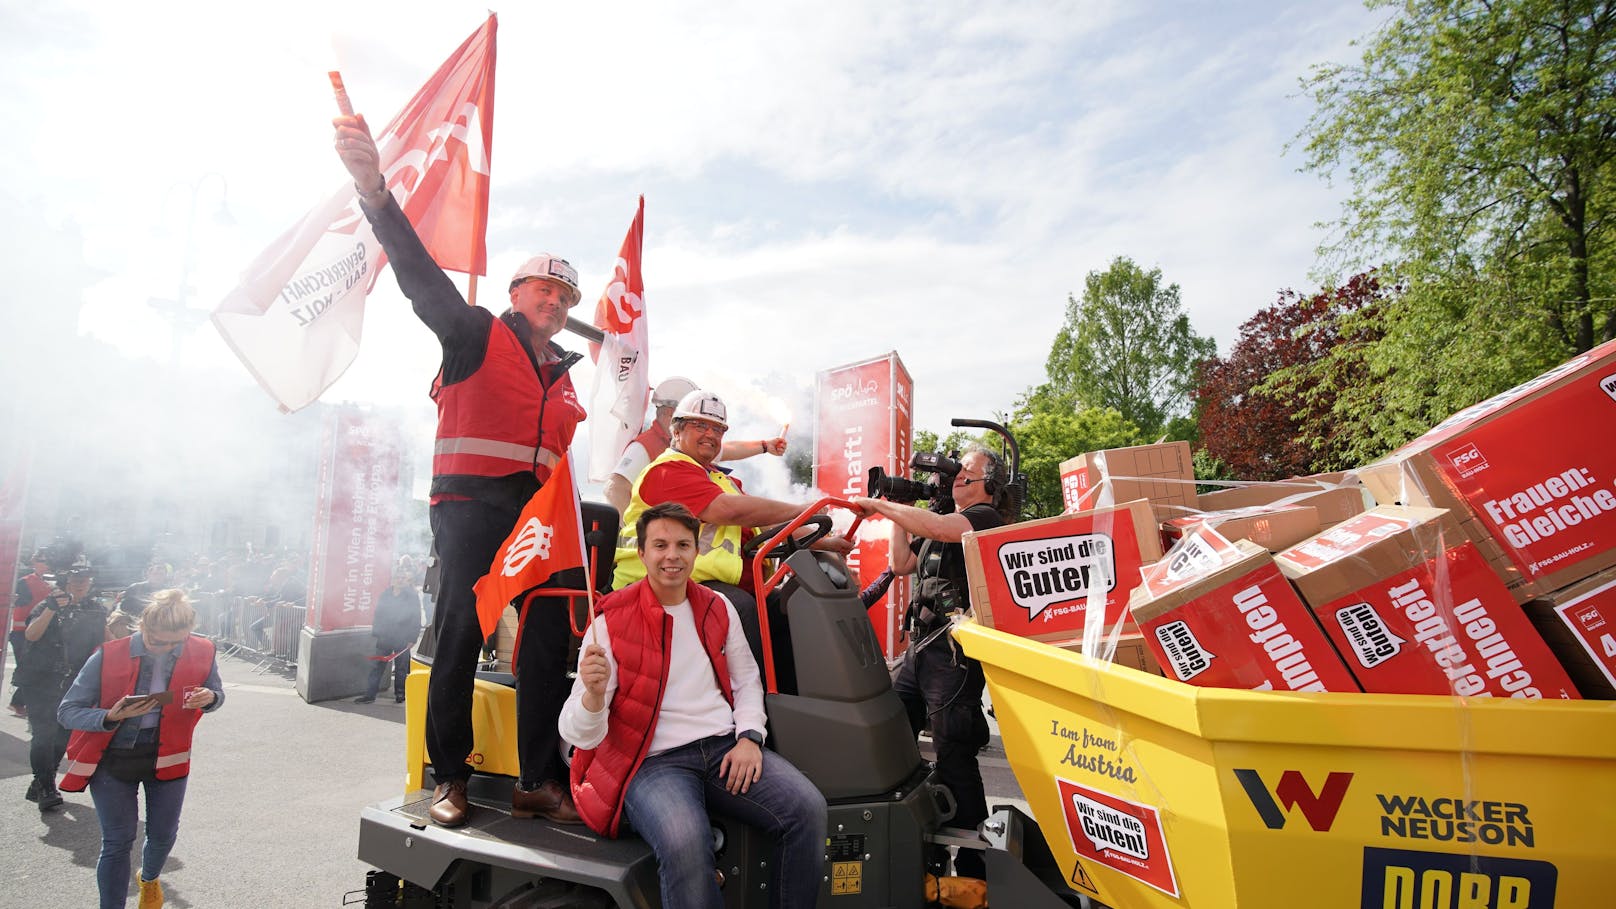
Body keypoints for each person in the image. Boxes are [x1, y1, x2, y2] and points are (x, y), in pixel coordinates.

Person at [334, 111, 587, 827]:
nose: (557, 303)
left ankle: (537, 776)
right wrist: (376, 193)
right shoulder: (473, 330)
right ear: (515, 292)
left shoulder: (565, 378)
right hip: (469, 506)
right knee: (461, 633)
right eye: (545, 289)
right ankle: (450, 774)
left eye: (566, 298)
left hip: (534, 519)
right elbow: (418, 277)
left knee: (547, 637)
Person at [562, 503, 827, 909]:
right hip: (651, 762)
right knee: (686, 840)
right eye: (660, 545)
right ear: (644, 552)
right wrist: (594, 697)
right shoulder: (611, 620)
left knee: (807, 809)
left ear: (697, 549)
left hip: (722, 748)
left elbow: (746, 681)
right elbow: (577, 733)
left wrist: (750, 737)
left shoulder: (717, 606)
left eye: (683, 544)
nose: (672, 555)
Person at [852, 446, 1011, 880]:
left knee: (953, 748)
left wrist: (880, 505)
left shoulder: (983, 519)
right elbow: (901, 563)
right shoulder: (945, 520)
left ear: (989, 487)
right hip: (921, 647)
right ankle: (924, 837)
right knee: (897, 732)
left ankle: (975, 864)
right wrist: (898, 510)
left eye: (968, 473)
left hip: (953, 654)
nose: (957, 478)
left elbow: (941, 529)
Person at [613, 390, 850, 645]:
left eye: (718, 429)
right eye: (700, 425)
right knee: (740, 608)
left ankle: (794, 684)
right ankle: (752, 686)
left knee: (790, 608)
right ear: (677, 431)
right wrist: (802, 510)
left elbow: (768, 524)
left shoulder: (719, 479)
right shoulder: (667, 470)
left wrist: (823, 543)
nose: (710, 434)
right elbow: (730, 510)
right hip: (660, 583)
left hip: (710, 583)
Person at [58, 588, 224, 909]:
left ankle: (148, 879)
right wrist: (108, 716)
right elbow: (67, 711)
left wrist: (211, 698)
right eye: (159, 641)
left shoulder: (202, 649)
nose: (167, 649)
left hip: (169, 758)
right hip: (112, 761)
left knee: (163, 836)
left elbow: (216, 691)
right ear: (143, 627)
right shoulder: (108, 654)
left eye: (177, 642)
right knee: (117, 842)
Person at [602, 377, 788, 515]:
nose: (708, 434)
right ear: (669, 413)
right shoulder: (645, 446)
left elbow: (728, 449)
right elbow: (614, 488)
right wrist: (641, 534)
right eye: (697, 422)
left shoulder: (687, 448)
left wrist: (764, 446)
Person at [19, 559, 109, 811]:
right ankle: (47, 785)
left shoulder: (95, 609)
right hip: (41, 678)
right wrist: (50, 609)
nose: (81, 584)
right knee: (43, 734)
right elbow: (31, 635)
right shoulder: (49, 604)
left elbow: (108, 642)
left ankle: (41, 781)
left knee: (63, 734)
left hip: (74, 681)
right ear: (65, 582)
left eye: (85, 580)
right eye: (75, 579)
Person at [356, 565, 423, 705]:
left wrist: (412, 638)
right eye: (397, 578)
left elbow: (416, 618)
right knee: (377, 666)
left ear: (406, 581)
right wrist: (377, 632)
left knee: (401, 668)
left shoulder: (411, 596)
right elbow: (378, 614)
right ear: (393, 580)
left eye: (403, 578)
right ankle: (370, 695)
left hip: (403, 638)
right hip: (385, 636)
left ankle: (400, 694)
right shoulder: (386, 594)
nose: (400, 580)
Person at [8, 549, 53, 718]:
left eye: (48, 561)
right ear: (34, 563)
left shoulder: (52, 584)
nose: (46, 564)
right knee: (29, 668)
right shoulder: (24, 582)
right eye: (42, 560)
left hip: (41, 633)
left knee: (37, 668)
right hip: (22, 633)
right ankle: (19, 702)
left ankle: (19, 702)